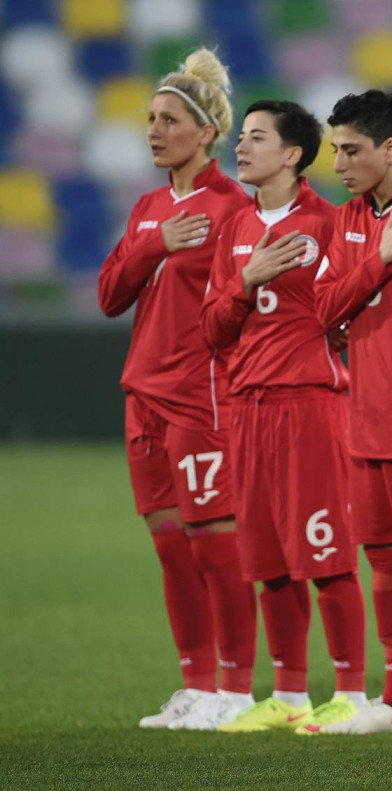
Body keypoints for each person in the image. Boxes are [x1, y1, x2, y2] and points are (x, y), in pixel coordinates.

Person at [97, 48, 257, 731]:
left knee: (213, 542)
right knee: (169, 545)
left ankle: (237, 686)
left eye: (169, 119)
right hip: (144, 394)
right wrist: (153, 243)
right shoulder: (148, 208)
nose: (154, 130)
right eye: (151, 118)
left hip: (202, 392)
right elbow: (110, 295)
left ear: (205, 131)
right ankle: (194, 685)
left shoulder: (231, 208)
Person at [200, 100, 366, 733]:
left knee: (326, 558)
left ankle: (350, 690)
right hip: (246, 408)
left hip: (307, 404)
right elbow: (213, 329)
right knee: (267, 563)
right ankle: (290, 695)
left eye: (256, 138)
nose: (240, 148)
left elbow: (345, 314)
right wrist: (247, 279)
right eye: (240, 138)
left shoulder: (326, 223)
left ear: (293, 154)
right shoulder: (235, 227)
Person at [312, 90, 392, 733]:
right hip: (365, 413)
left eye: (351, 150)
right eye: (334, 150)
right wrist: (379, 259)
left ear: (391, 149)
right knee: (386, 557)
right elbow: (322, 309)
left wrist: (364, 276)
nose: (338, 163)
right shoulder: (348, 219)